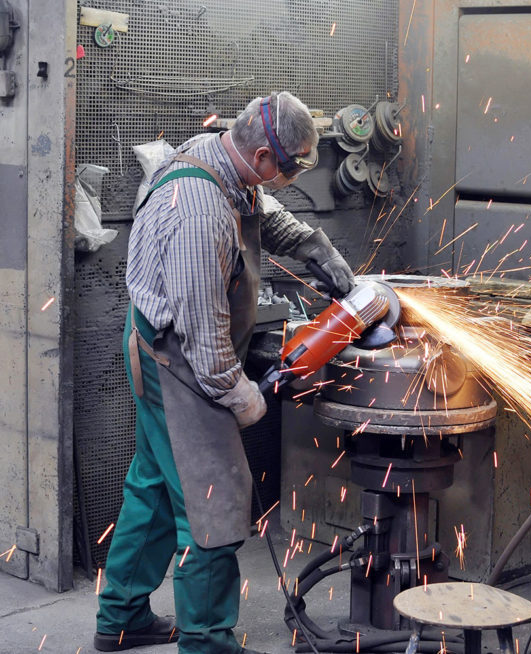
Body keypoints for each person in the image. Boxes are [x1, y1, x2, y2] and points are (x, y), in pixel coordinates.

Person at [94, 91, 354, 653]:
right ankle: (208, 641)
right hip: (179, 360)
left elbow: (261, 211)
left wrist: (316, 248)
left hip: (161, 344)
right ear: (262, 155)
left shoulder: (221, 156)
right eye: (288, 168)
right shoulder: (198, 211)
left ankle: (120, 617)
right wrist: (242, 396)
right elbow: (204, 336)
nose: (288, 178)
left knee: (155, 486)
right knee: (214, 501)